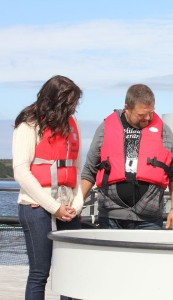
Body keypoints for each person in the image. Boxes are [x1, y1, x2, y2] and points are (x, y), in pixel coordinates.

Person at [12, 75, 84, 300]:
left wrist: (77, 205)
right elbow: (21, 172)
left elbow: (77, 169)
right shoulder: (28, 125)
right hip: (36, 208)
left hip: (68, 209)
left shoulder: (73, 125)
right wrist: (54, 207)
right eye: (69, 103)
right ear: (56, 100)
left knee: (71, 274)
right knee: (39, 273)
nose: (73, 109)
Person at [81, 84, 173, 230]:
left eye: (151, 113)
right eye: (141, 115)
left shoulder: (164, 131)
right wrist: (78, 205)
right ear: (127, 108)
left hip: (149, 220)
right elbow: (90, 170)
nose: (147, 118)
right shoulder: (105, 128)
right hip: (111, 217)